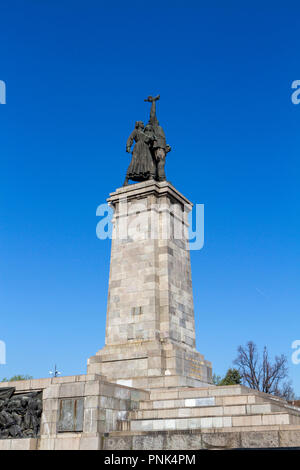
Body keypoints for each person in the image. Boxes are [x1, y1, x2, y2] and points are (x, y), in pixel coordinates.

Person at [144, 95, 171, 182]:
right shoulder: (155, 126)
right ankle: (161, 178)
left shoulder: (159, 128)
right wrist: (153, 102)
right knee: (160, 162)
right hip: (158, 146)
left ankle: (155, 176)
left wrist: (166, 147)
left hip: (160, 146)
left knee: (157, 162)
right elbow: (153, 113)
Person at [123, 121, 156, 186]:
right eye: (142, 123)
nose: (143, 124)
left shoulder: (144, 133)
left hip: (145, 148)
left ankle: (149, 175)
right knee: (134, 162)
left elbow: (148, 139)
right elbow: (130, 138)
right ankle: (126, 180)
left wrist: (152, 139)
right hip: (138, 148)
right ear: (138, 125)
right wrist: (128, 146)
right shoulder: (135, 131)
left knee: (147, 162)